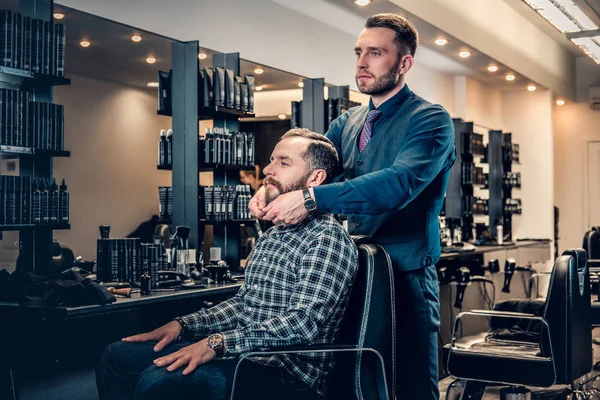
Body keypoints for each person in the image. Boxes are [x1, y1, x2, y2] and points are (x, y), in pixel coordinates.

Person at [249, 13, 456, 400]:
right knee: (353, 383)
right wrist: (272, 187)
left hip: (405, 276)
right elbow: (311, 167)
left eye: (375, 53)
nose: (361, 62)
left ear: (404, 63)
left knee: (409, 384)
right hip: (351, 272)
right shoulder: (347, 123)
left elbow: (398, 184)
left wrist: (310, 199)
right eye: (359, 52)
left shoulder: (430, 120)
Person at [97, 128, 358, 400]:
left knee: (162, 381)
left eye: (284, 162)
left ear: (315, 178)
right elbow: (244, 305)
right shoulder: (273, 235)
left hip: (286, 374)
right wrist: (183, 325)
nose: (268, 169)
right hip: (243, 355)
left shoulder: (326, 239)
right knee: (116, 355)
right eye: (271, 160)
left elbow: (301, 324)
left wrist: (217, 343)